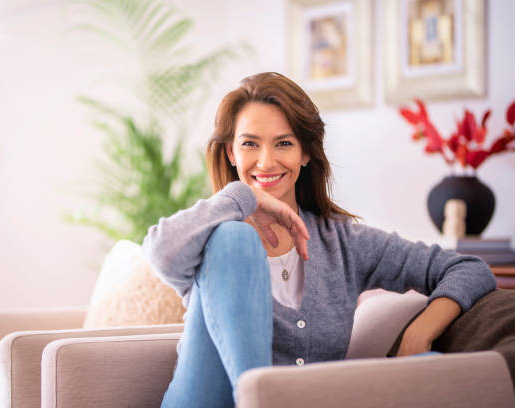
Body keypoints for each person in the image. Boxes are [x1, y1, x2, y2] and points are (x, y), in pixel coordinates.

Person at [142, 72, 496, 408]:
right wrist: (241, 198)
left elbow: (469, 269)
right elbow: (159, 252)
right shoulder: (208, 233)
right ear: (232, 153)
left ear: (306, 153)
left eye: (284, 143)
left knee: (429, 366)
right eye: (250, 144)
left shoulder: (343, 241)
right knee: (233, 237)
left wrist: (420, 332)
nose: (266, 161)